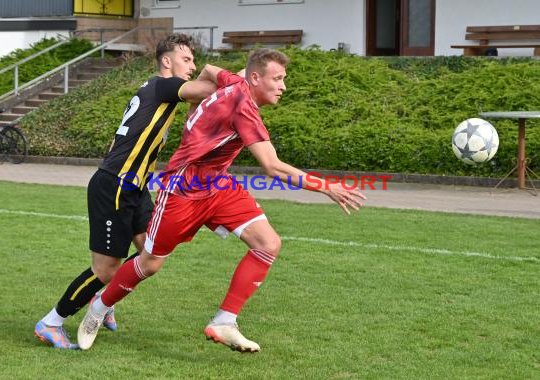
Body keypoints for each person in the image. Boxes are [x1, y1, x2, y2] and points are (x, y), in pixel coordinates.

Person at [77, 48, 367, 353]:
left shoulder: (234, 83)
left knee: (268, 243)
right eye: (277, 79)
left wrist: (193, 112)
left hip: (218, 184)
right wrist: (327, 187)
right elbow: (272, 166)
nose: (283, 86)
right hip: (183, 190)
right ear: (255, 78)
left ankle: (224, 321)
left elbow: (210, 69)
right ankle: (99, 306)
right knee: (149, 264)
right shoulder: (243, 106)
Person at [34, 33, 221, 349]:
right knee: (106, 269)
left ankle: (102, 300)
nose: (192, 66)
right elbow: (208, 90)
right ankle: (52, 322)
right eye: (186, 60)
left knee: (154, 252)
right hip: (115, 187)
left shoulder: (159, 89)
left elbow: (197, 96)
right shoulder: (162, 85)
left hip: (136, 189)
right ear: (166, 61)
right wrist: (232, 74)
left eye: (193, 61)